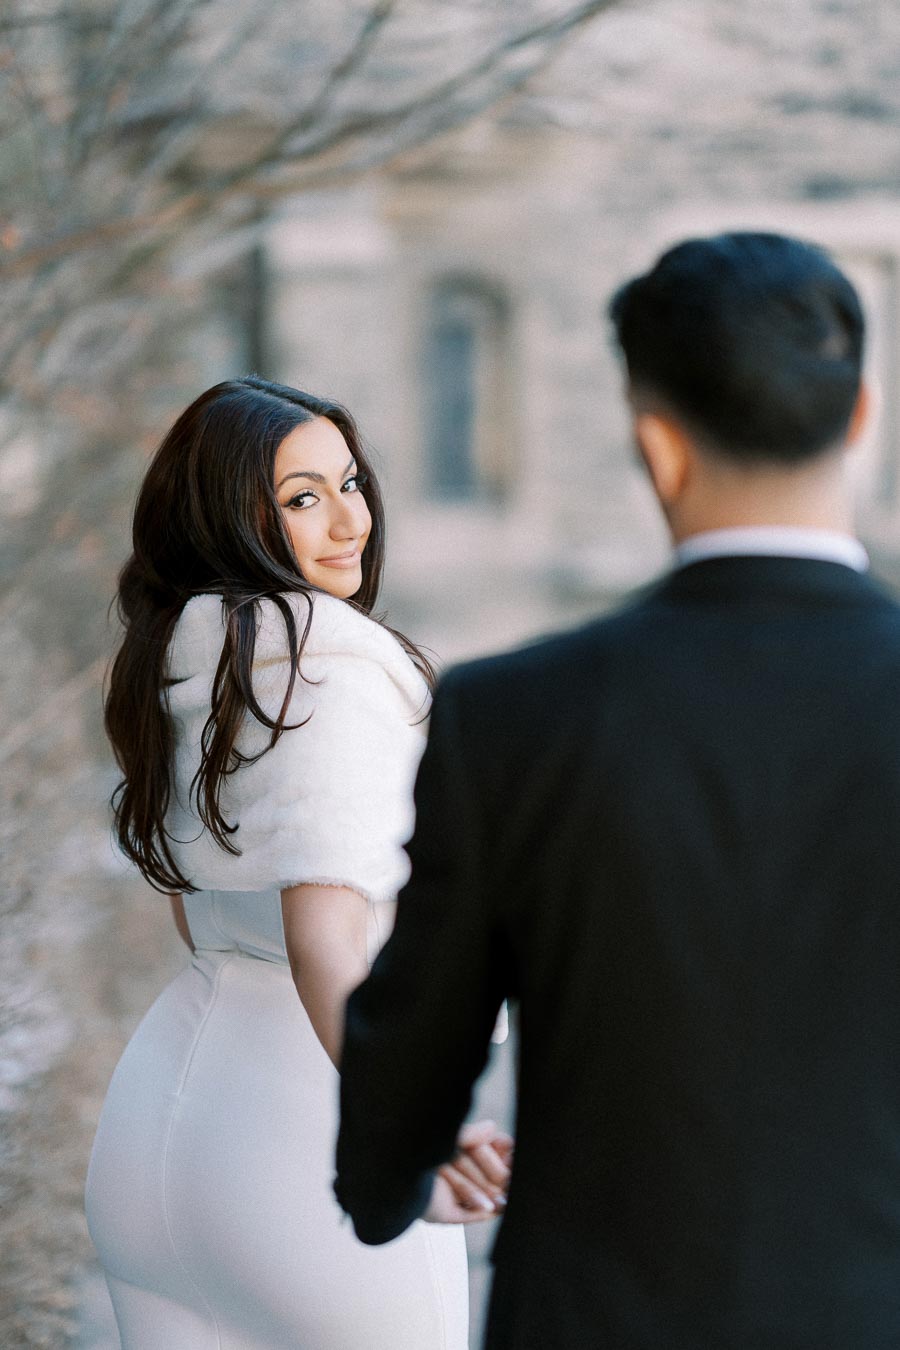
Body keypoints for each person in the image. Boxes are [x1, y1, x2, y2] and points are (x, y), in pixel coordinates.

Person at [334, 233, 900, 1349]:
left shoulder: (513, 713)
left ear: (656, 445)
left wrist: (386, 1179)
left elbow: (409, 1061)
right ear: (861, 420)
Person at [85, 377, 511, 1349]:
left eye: (349, 483)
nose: (350, 520)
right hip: (302, 1137)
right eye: (301, 498)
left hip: (159, 1126)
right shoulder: (333, 665)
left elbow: (196, 909)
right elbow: (324, 938)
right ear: (229, 518)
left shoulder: (189, 658)